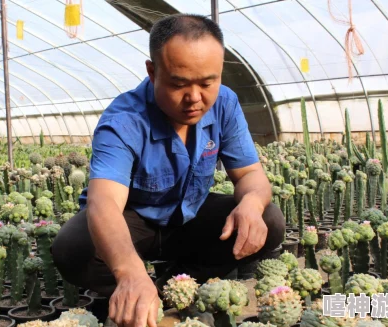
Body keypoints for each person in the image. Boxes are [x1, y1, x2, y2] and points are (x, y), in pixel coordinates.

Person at [51, 13, 285, 327]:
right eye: (178, 83)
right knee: (73, 248)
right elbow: (104, 204)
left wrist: (252, 205)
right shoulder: (123, 120)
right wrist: (130, 273)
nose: (195, 98)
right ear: (152, 71)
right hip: (133, 222)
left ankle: (174, 283)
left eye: (207, 82)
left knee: (268, 220)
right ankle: (136, 288)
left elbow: (249, 175)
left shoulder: (225, 104)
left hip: (187, 217)